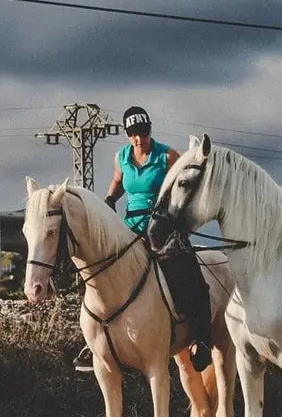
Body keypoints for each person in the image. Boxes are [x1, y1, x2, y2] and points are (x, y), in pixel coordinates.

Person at [73, 105, 213, 372]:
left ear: (150, 130)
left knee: (186, 270)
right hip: (130, 224)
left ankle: (201, 336)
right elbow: (118, 180)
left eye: (143, 133)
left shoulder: (167, 155)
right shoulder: (122, 157)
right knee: (99, 270)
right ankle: (95, 339)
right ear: (127, 136)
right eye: (133, 135)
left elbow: (190, 181)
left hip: (162, 223)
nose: (139, 139)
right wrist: (110, 200)